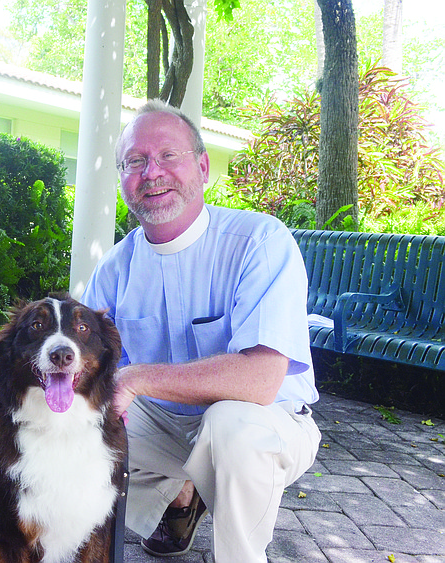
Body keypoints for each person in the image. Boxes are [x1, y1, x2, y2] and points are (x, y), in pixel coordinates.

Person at [81, 100, 321, 563]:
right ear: (122, 178)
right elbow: (88, 364)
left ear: (203, 167)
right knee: (72, 425)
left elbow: (260, 381)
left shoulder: (260, 241)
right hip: (165, 424)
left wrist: (137, 378)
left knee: (232, 426)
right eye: (135, 162)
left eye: (168, 155)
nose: (152, 173)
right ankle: (177, 501)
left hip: (266, 421)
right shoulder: (114, 267)